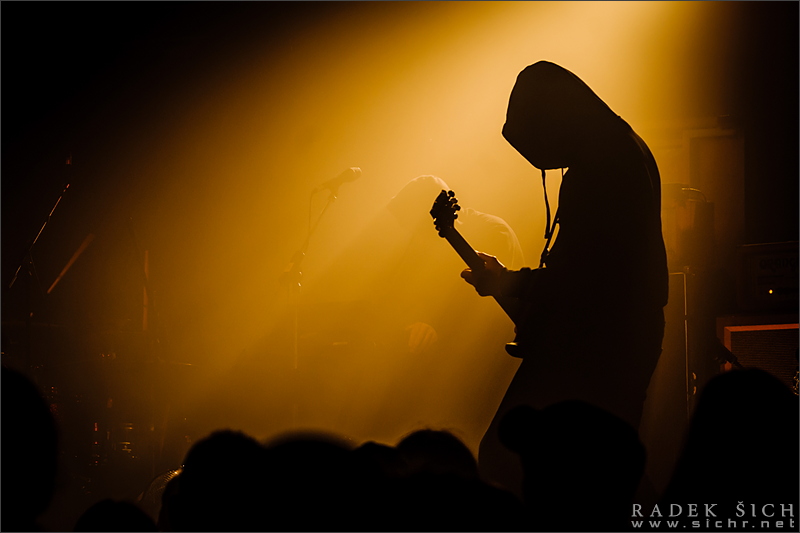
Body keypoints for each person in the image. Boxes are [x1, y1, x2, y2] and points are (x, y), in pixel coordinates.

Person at [461, 61, 669, 496]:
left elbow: (582, 280)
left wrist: (508, 282)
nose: (537, 159)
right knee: (600, 468)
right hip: (624, 337)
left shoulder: (601, 168)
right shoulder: (621, 148)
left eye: (536, 143)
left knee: (507, 453)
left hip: (598, 342)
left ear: (555, 119)